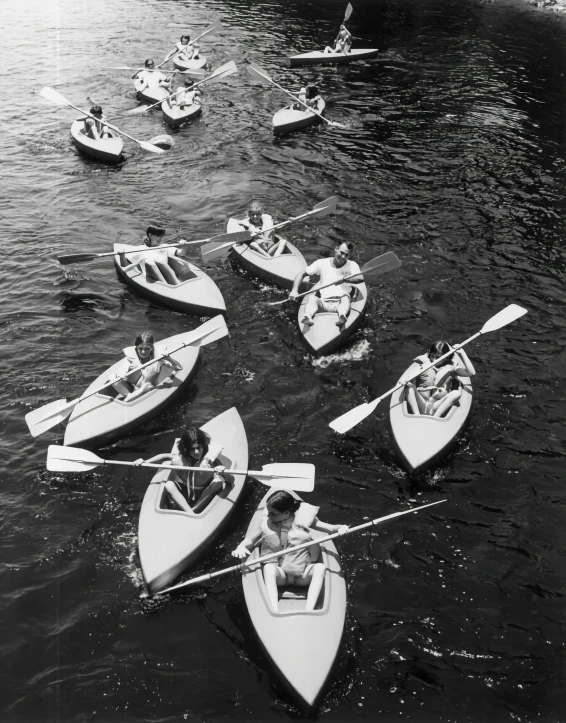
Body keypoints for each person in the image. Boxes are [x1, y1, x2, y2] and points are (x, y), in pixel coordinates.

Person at [231, 490, 348, 612]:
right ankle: (273, 609)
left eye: (273, 514)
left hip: (302, 575)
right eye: (269, 512)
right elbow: (251, 539)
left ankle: (309, 610)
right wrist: (241, 547)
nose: (268, 516)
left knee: (320, 568)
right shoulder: (267, 523)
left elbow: (331, 528)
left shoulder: (305, 520)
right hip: (280, 574)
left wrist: (342, 528)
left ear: (286, 513)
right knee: (268, 568)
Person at [142, 426, 227, 514]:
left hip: (205, 493)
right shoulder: (180, 459)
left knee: (218, 482)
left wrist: (223, 471)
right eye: (192, 449)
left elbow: (230, 481)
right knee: (168, 485)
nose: (196, 452)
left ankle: (193, 510)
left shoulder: (211, 460)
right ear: (187, 449)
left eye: (199, 448)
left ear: (204, 446)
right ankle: (190, 513)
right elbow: (164, 456)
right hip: (187, 492)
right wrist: (145, 461)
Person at [289, 242, 364, 327]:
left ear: (349, 256)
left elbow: (360, 278)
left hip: (340, 302)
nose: (343, 257)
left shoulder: (352, 265)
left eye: (346, 255)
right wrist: (294, 291)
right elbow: (302, 273)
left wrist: (345, 279)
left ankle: (342, 315)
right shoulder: (321, 263)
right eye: (342, 252)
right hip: (323, 302)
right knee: (312, 298)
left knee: (345, 298)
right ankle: (308, 316)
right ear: (336, 249)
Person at [404, 341, 476, 417]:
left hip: (436, 405)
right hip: (422, 404)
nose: (434, 360)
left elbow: (471, 373)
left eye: (438, 357)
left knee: (456, 393)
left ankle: (435, 418)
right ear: (429, 354)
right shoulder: (424, 365)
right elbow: (411, 375)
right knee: (408, 386)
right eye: (432, 356)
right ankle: (416, 416)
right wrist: (407, 379)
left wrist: (462, 353)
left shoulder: (452, 368)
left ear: (446, 357)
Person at [111, 332, 182, 402]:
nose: (143, 352)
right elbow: (122, 372)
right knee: (112, 377)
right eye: (140, 348)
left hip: (146, 389)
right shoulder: (132, 357)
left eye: (147, 349)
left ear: (151, 347)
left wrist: (168, 358)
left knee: (147, 384)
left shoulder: (158, 357)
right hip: (133, 388)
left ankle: (131, 398)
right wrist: (121, 377)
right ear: (136, 348)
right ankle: (130, 396)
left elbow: (178, 368)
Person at [119, 226, 192, 285]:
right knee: (149, 261)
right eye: (158, 236)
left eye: (162, 236)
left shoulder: (165, 246)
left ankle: (176, 284)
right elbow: (124, 265)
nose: (161, 238)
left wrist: (184, 245)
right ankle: (167, 287)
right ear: (150, 235)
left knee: (160, 262)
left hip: (168, 276)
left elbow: (182, 253)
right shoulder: (140, 249)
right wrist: (122, 255)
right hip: (151, 278)